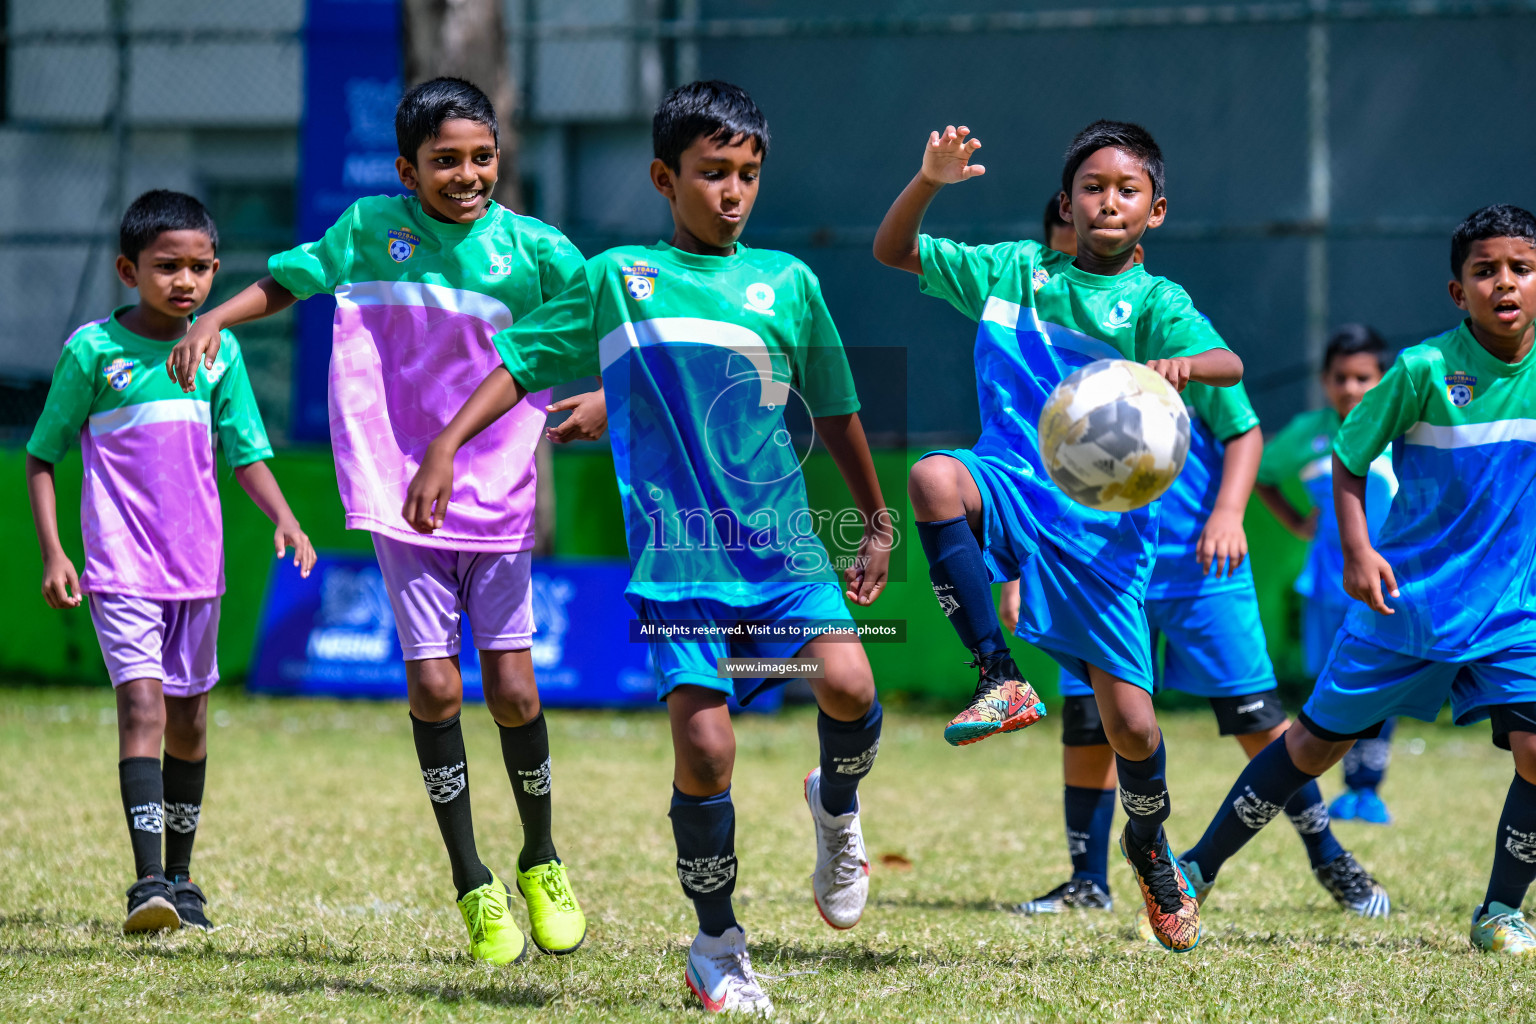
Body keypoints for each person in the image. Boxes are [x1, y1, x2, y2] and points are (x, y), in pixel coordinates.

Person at [402, 81, 892, 1013]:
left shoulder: (788, 281)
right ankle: (717, 946)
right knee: (707, 758)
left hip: (783, 550)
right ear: (666, 177)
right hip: (679, 565)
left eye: (749, 174)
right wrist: (446, 442)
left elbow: (833, 409)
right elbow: (521, 362)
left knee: (852, 685)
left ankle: (836, 804)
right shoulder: (618, 276)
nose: (734, 192)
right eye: (713, 174)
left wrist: (873, 521)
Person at [167, 78, 599, 964]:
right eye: (446, 160)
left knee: (515, 691)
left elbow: (611, 315)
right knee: (438, 690)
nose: (468, 174)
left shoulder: (536, 250)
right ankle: (473, 879)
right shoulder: (370, 230)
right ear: (408, 169)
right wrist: (216, 315)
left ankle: (541, 856)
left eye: (482, 157)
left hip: (501, 493)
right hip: (405, 493)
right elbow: (293, 279)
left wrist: (601, 394)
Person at [874, 120, 1244, 953]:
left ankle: (1148, 847)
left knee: (1136, 733)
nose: (1107, 201)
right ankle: (999, 677)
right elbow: (894, 250)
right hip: (1008, 484)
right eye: (1091, 187)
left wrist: (1184, 365)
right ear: (1067, 201)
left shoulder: (1156, 302)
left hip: (1105, 536)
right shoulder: (1014, 271)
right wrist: (929, 179)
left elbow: (1229, 364)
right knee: (934, 477)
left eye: (1127, 190)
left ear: (1155, 210)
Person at [1180, 204, 1536, 955]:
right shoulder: (1423, 370)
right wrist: (1356, 550)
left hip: (1511, 607)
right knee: (1311, 746)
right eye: (1485, 270)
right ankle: (1192, 871)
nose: (1504, 282)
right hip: (1407, 601)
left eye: (1521, 268)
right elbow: (1348, 456)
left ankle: (1499, 911)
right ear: (1457, 291)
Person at [25, 190, 316, 934]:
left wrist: (285, 517)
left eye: (198, 268)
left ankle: (183, 880)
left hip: (197, 572)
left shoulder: (222, 352)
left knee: (189, 722)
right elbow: (41, 456)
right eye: (166, 267)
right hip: (119, 568)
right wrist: (57, 551)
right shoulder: (93, 352)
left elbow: (246, 452)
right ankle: (147, 880)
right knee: (143, 708)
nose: (184, 282)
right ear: (128, 269)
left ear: (216, 269)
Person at [1018, 366, 1388, 922]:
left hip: (1203, 566)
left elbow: (1245, 432)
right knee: (1090, 720)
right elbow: (1033, 464)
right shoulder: (1068, 351)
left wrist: (1228, 512)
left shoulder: (1180, 334)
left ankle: (1330, 857)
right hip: (1099, 568)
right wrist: (1019, 567)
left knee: (1259, 720)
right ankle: (1087, 880)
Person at [1256, 326, 1399, 824]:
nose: (1351, 388)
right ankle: (1323, 787)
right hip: (1327, 584)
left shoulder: (1403, 428)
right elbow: (1263, 474)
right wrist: (1296, 522)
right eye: (1341, 378)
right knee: (1332, 685)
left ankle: (1366, 788)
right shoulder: (1307, 433)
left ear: (1384, 381)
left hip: (1389, 585)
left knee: (1382, 683)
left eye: (1364, 378)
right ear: (1324, 381)